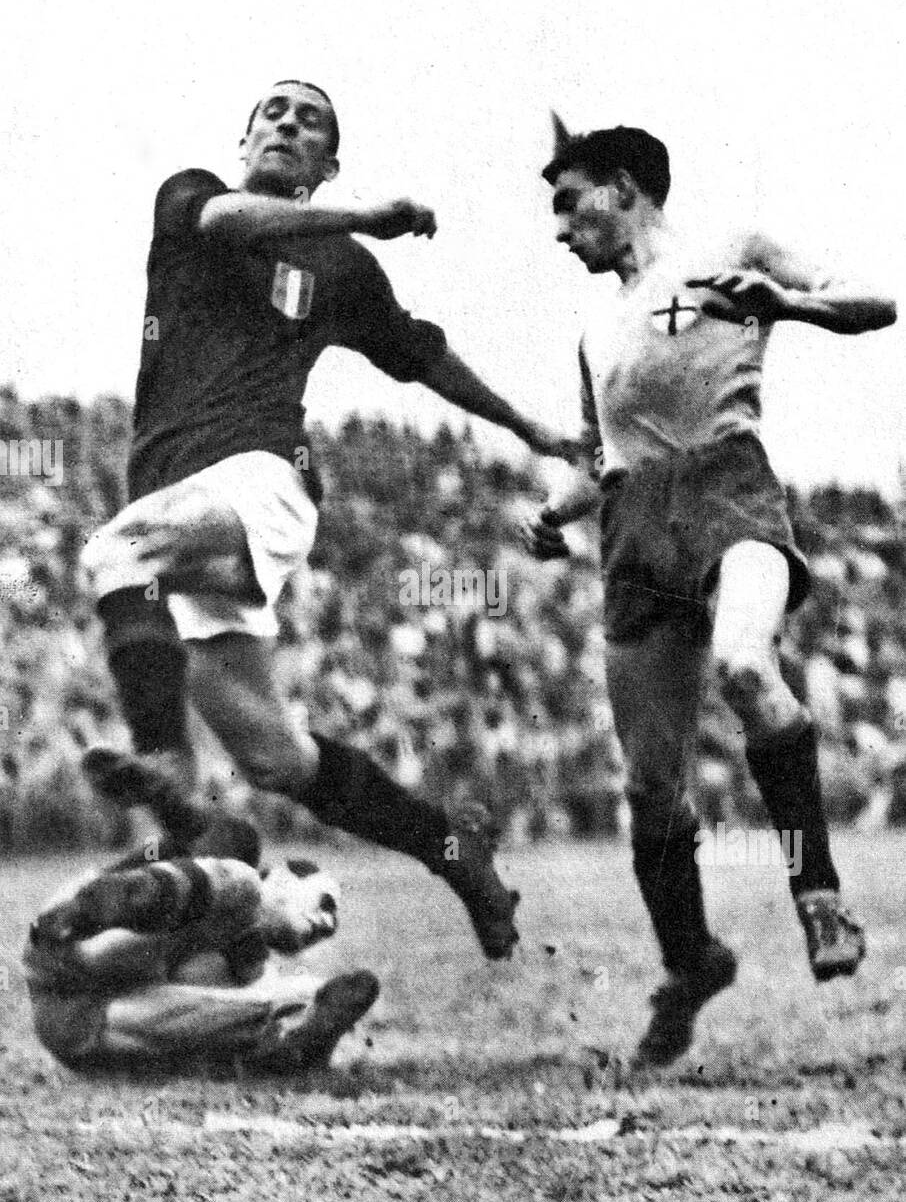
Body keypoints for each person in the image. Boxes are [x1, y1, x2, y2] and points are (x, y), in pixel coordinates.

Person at [82, 80, 573, 961]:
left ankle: (163, 766)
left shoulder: (341, 267)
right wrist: (367, 215)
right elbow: (230, 220)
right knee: (274, 759)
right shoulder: (192, 201)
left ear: (327, 164)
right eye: (272, 112)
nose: (287, 123)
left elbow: (419, 355)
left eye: (309, 121)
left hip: (264, 477)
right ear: (243, 142)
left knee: (118, 554)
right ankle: (453, 849)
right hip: (177, 503)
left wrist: (528, 428)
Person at [522, 116, 896, 1064]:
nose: (560, 231)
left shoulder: (733, 250)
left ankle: (819, 894)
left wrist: (789, 305)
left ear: (622, 187)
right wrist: (554, 512)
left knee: (743, 665)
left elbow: (876, 301)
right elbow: (598, 453)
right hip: (634, 528)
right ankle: (690, 963)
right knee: (650, 788)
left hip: (728, 489)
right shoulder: (595, 328)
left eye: (569, 204)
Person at [24, 806, 378, 1072]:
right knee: (240, 875)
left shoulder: (248, 962)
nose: (327, 924)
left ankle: (279, 1050)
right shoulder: (237, 879)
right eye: (325, 905)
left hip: (81, 1027)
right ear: (285, 880)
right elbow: (196, 840)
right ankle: (115, 899)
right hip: (71, 942)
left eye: (331, 926)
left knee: (289, 994)